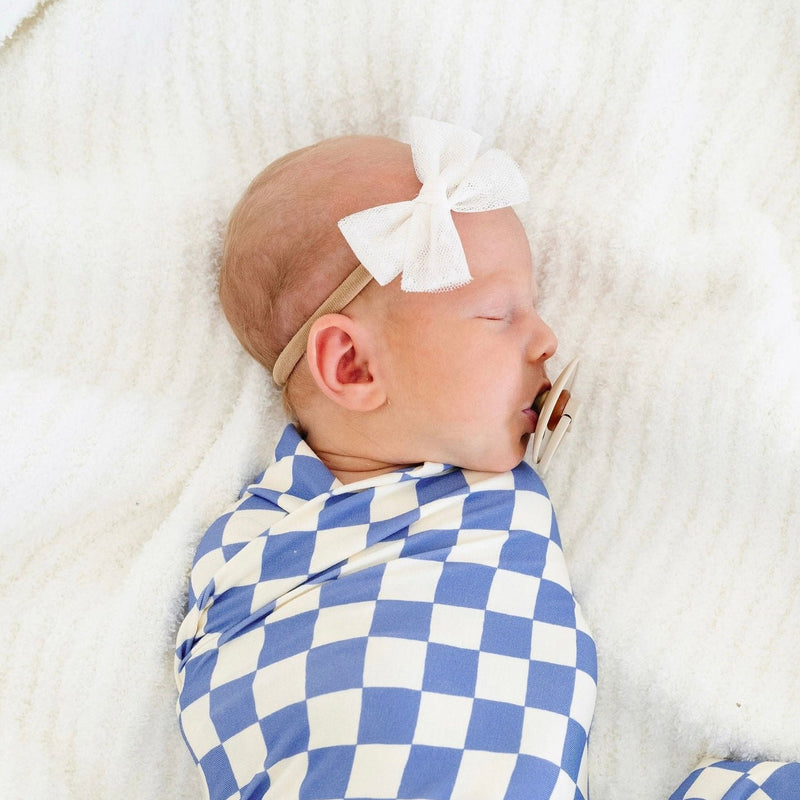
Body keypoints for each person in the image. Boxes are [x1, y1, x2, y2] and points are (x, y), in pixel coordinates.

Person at [174, 117, 597, 800]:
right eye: (497, 315)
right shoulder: (266, 559)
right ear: (351, 364)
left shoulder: (475, 504)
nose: (545, 338)